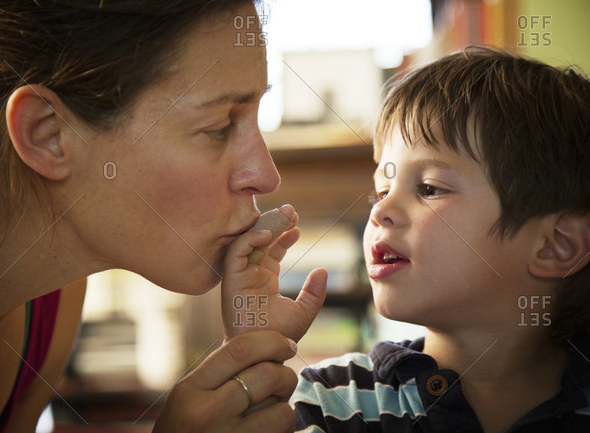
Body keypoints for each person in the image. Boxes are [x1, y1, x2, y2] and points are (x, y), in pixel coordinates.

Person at [0, 1, 327, 432]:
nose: (266, 176)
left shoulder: (53, 298)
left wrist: (245, 371)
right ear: (47, 134)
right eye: (218, 126)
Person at [222, 47, 590, 432]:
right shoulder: (332, 398)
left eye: (429, 188)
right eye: (382, 191)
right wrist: (252, 353)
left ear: (556, 245)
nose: (379, 212)